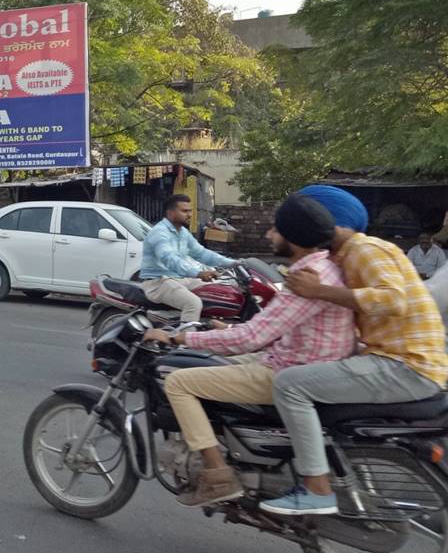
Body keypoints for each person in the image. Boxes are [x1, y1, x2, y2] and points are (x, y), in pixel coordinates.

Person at [143, 195, 355, 506]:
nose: (269, 235)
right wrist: (227, 329)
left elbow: (252, 336)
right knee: (213, 359)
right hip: (296, 357)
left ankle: (217, 475)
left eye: (275, 230)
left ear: (294, 238)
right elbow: (266, 331)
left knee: (178, 382)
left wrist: (178, 339)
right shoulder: (323, 268)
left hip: (287, 369)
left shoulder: (305, 279)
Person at [262, 185, 448, 516]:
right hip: (398, 360)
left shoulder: (364, 250)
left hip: (407, 366)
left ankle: (316, 490)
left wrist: (319, 291)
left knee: (289, 384)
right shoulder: (344, 256)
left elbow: (393, 299)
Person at [139, 194, 236, 324]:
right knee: (193, 303)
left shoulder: (183, 232)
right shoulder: (159, 232)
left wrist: (234, 263)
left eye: (190, 211)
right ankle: (185, 341)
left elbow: (202, 253)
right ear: (170, 213)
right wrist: (198, 273)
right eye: (184, 211)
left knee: (219, 291)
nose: (189, 214)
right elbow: (169, 258)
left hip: (180, 279)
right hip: (158, 282)